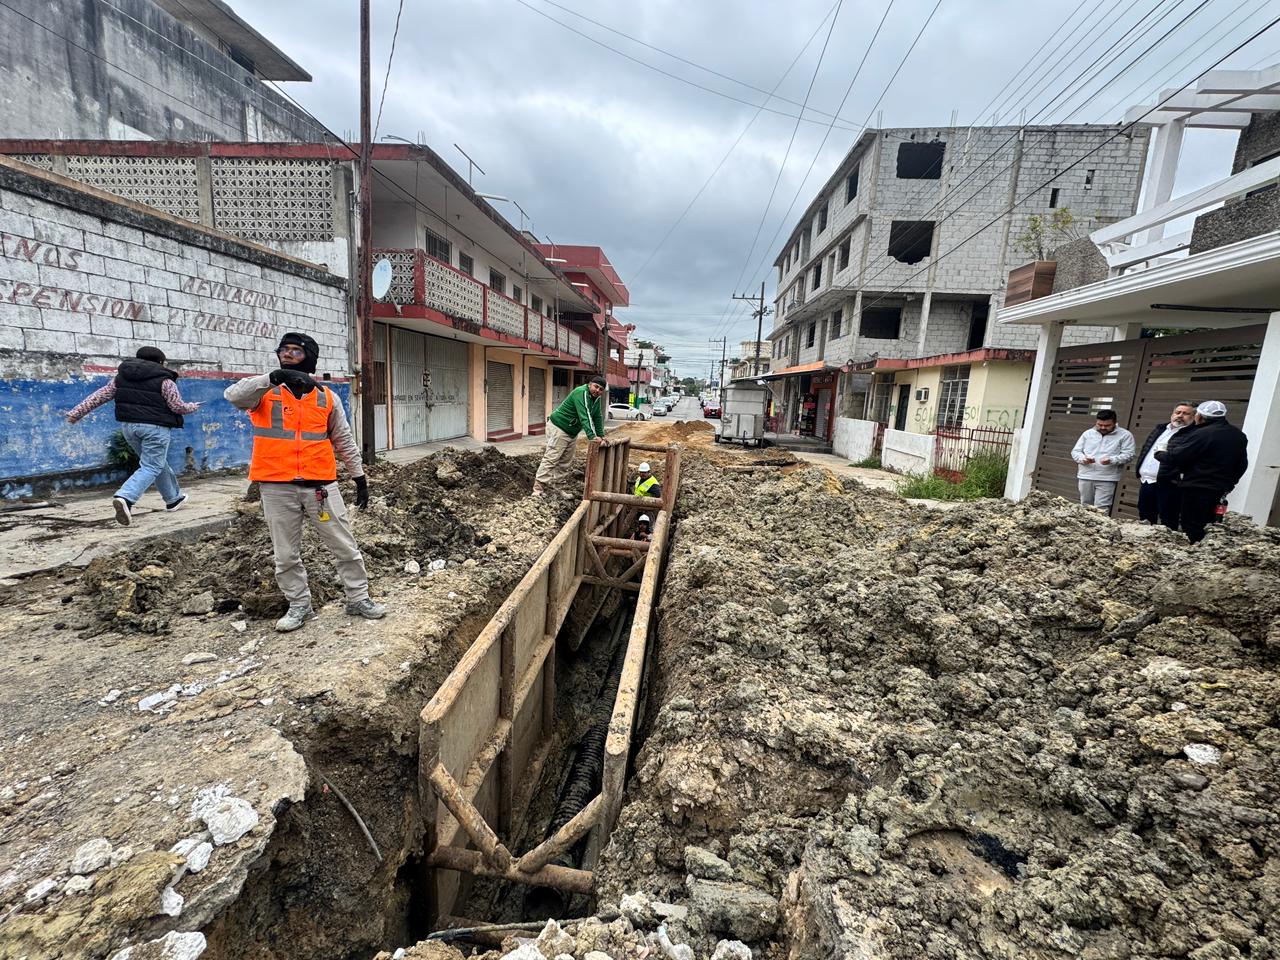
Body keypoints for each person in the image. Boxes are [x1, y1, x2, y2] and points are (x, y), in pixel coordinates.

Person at [224, 332, 385, 631]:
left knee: (345, 546)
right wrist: (271, 377)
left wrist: (359, 478)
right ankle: (300, 606)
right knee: (285, 555)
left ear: (309, 356)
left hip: (321, 487)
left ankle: (358, 598)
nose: (287, 355)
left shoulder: (326, 397)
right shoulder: (263, 393)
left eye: (295, 351)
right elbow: (233, 395)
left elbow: (344, 440)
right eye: (283, 350)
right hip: (276, 486)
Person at [65, 346, 201, 526]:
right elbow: (176, 406)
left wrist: (76, 413)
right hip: (155, 428)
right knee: (152, 465)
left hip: (129, 427)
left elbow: (100, 396)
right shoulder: (165, 380)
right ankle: (126, 498)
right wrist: (192, 407)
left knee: (155, 464)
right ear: (160, 362)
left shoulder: (121, 378)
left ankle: (173, 499)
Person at [1154, 400, 1249, 545]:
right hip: (1219, 489)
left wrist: (1160, 454)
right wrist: (1230, 484)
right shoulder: (1238, 435)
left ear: (1200, 416)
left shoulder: (1202, 434)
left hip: (1197, 487)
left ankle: (1194, 556)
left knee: (1192, 525)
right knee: (1209, 524)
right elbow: (1242, 464)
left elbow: (1177, 457)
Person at [534, 375, 607, 498]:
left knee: (565, 461)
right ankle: (537, 489)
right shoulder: (581, 393)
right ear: (590, 384)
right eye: (596, 387)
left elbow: (597, 417)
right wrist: (592, 437)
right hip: (559, 428)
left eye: (601, 389)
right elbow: (585, 416)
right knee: (552, 457)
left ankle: (557, 488)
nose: (597, 390)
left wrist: (601, 435)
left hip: (571, 432)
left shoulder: (596, 399)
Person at [1135, 401, 1196, 529]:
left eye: (1185, 413)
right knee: (1145, 516)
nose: (1180, 416)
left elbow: (1184, 459)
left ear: (1194, 417)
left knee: (1168, 519)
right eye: (1177, 412)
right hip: (1146, 481)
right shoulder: (1161, 429)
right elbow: (1147, 449)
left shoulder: (1192, 435)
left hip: (1168, 483)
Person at [1070, 409, 1136, 512]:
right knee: (1085, 506)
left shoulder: (1125, 435)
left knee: (1101, 508)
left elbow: (1129, 455)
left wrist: (1111, 460)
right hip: (1085, 476)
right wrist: (1083, 459)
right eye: (1099, 424)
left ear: (1114, 422)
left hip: (1107, 478)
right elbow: (1075, 451)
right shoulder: (1088, 434)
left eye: (1107, 425)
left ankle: (1099, 528)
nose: (1103, 427)